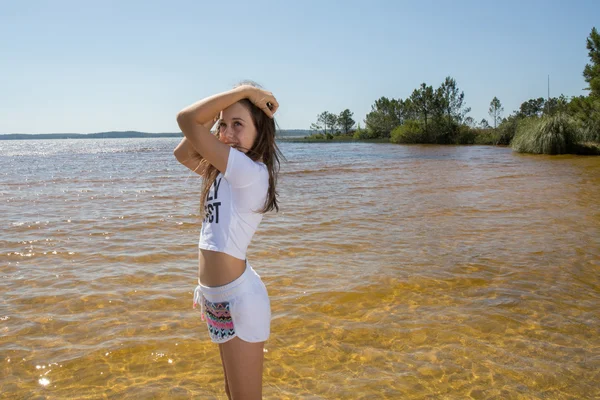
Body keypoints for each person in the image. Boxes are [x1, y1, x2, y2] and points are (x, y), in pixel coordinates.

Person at [173, 81, 282, 399]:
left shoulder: (248, 172)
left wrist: (245, 90)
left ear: (259, 132)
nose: (228, 133)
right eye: (223, 125)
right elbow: (182, 151)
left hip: (239, 301)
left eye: (239, 125)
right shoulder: (222, 173)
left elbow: (186, 119)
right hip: (216, 299)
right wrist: (230, 106)